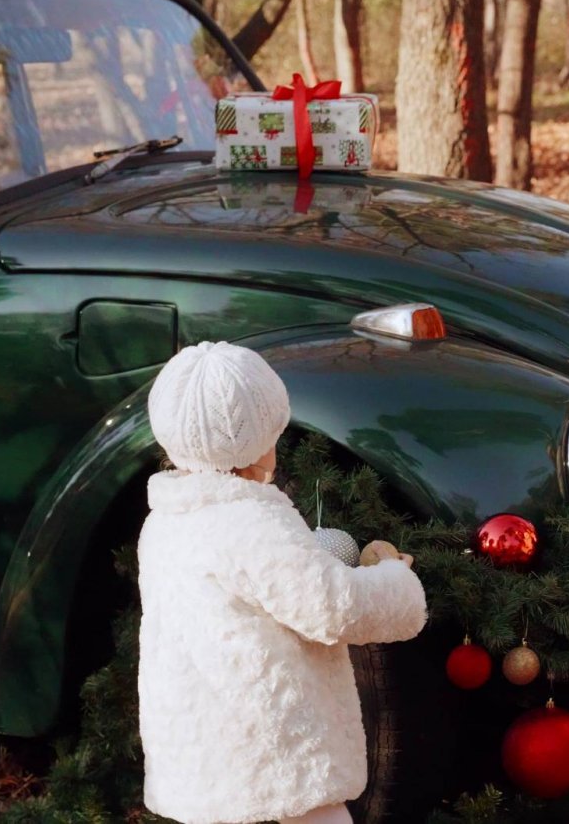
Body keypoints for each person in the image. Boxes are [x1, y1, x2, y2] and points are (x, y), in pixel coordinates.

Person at [137, 341, 428, 824]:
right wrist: (393, 580)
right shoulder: (252, 521)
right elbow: (332, 606)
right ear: (263, 440)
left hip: (202, 768)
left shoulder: (165, 522)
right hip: (277, 765)